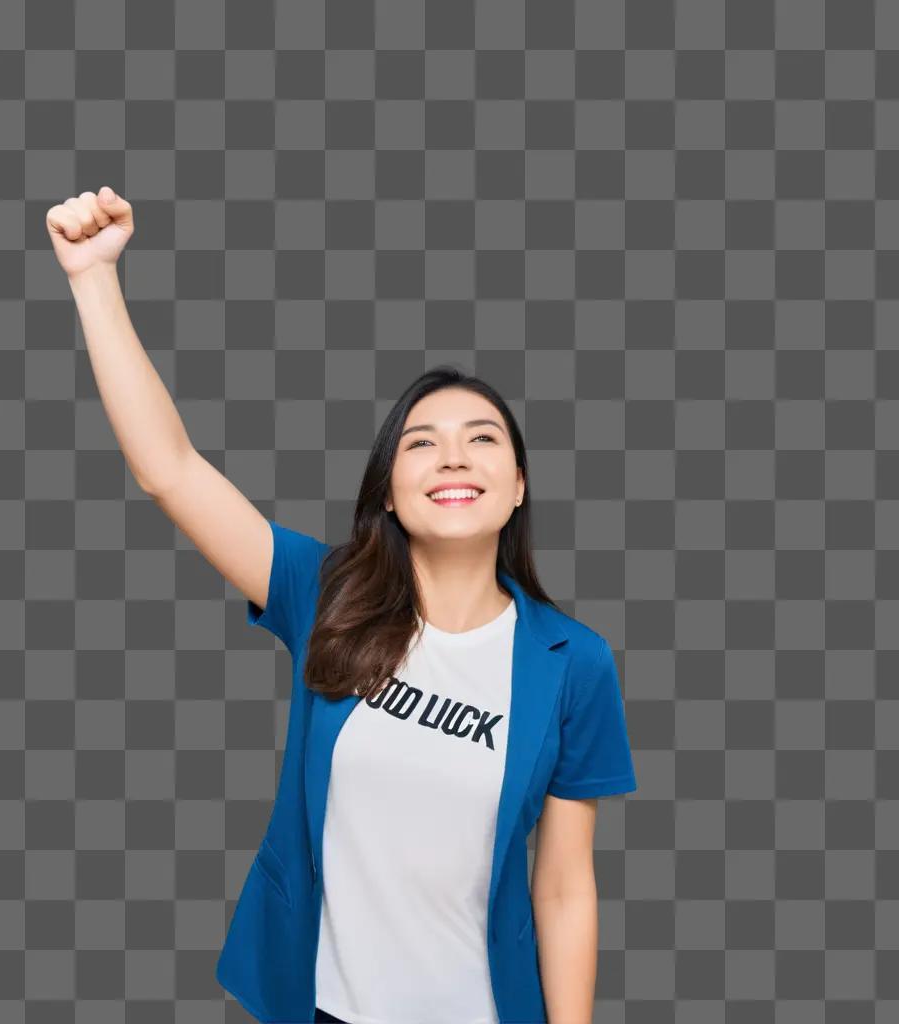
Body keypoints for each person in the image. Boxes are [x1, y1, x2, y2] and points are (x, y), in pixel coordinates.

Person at [47, 188, 638, 1024]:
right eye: (420, 443)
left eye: (483, 439)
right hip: (318, 1007)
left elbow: (566, 884)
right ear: (391, 494)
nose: (451, 457)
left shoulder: (574, 663)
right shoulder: (325, 592)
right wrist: (93, 277)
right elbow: (168, 470)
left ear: (516, 489)